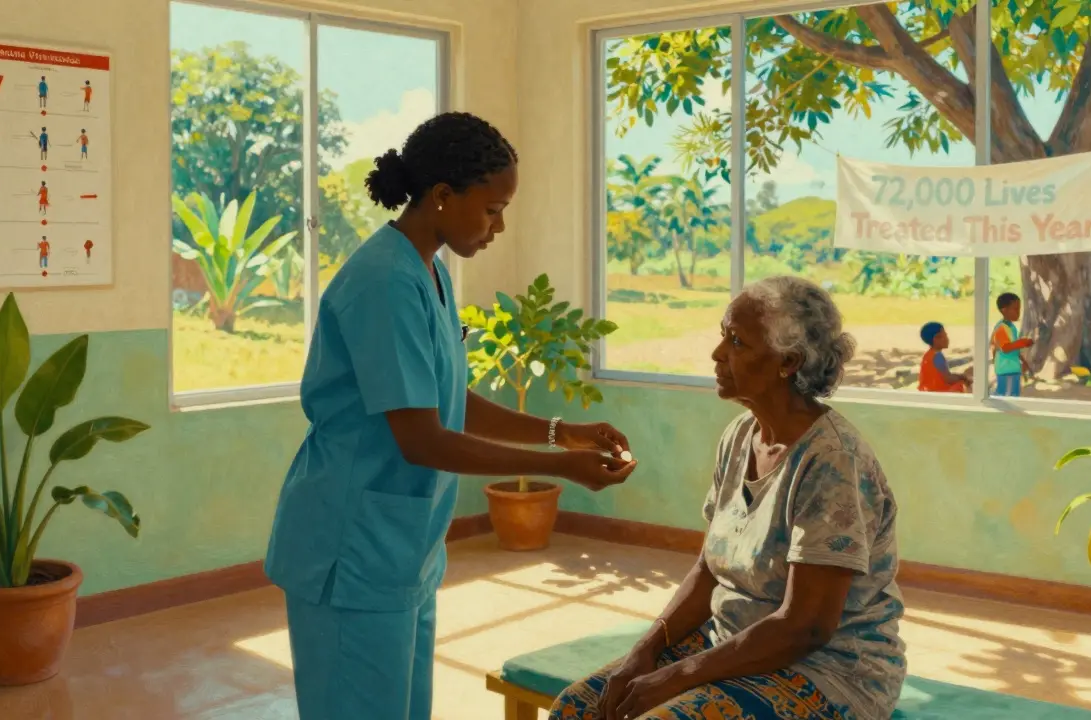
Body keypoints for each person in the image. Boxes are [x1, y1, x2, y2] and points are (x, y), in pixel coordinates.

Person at [264, 112, 639, 720]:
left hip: (403, 549)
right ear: (442, 196)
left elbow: (448, 398)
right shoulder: (384, 281)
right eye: (492, 209)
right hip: (351, 549)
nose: (499, 226)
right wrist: (563, 466)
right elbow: (423, 439)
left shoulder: (430, 270)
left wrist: (559, 430)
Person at [551, 276, 905, 720]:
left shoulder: (832, 461)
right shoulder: (740, 436)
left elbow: (806, 626)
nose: (718, 353)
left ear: (788, 362)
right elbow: (709, 569)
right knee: (578, 709)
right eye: (723, 335)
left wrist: (677, 676)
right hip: (731, 640)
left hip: (829, 671)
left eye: (737, 341)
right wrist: (646, 650)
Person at [991, 293, 1033, 397]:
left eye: (1019, 309)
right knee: (1007, 397)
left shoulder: (1011, 327)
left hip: (1013, 368)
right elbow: (1005, 348)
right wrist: (1022, 342)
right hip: (1006, 369)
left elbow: (1014, 349)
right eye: (1015, 309)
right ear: (1004, 310)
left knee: (1013, 395)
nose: (1018, 313)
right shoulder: (1001, 328)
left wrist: (1023, 362)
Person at [917, 322, 970, 393]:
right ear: (936, 338)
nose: (947, 339)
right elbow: (948, 379)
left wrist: (959, 376)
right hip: (938, 391)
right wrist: (963, 378)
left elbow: (942, 374)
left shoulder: (928, 355)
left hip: (927, 389)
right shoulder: (937, 356)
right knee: (961, 384)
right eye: (945, 336)